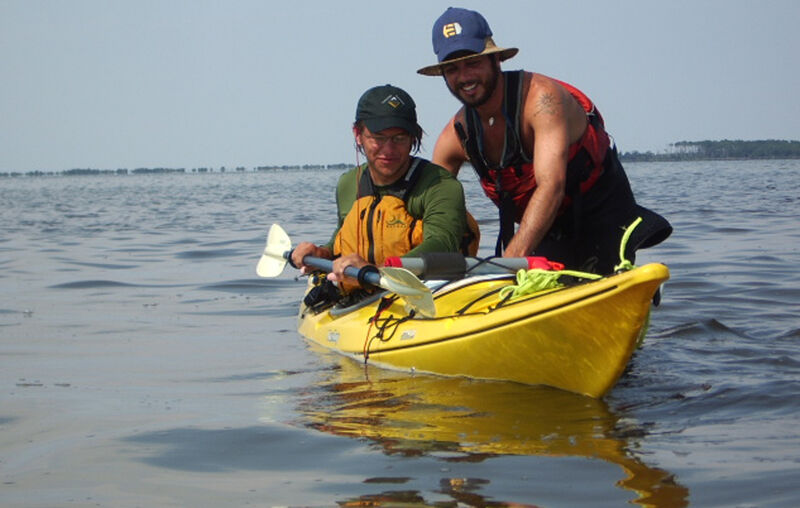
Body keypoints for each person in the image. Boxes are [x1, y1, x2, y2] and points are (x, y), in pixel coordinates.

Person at [418, 7, 671, 274]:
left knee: (595, 277)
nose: (465, 76)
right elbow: (436, 208)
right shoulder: (456, 136)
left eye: (473, 63)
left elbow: (552, 186)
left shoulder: (542, 101)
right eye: (452, 69)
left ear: (496, 60)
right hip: (547, 228)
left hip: (602, 211)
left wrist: (509, 261)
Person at [291, 84, 476, 295]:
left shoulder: (441, 185)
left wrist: (378, 272)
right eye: (378, 138)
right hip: (365, 292)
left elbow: (443, 244)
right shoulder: (349, 184)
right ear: (358, 134)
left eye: (399, 138)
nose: (388, 150)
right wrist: (321, 253)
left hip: (429, 291)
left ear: (414, 138)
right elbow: (342, 237)